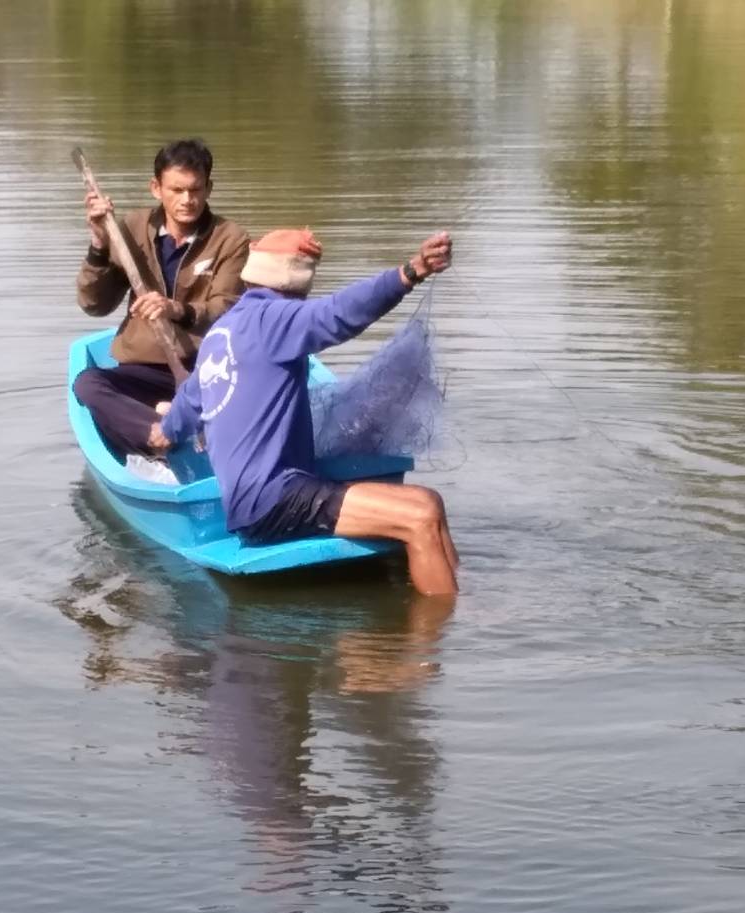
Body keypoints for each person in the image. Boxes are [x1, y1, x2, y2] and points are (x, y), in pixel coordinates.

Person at [150, 229, 461, 595]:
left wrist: (164, 433)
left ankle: (463, 597)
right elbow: (340, 312)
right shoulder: (274, 318)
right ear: (298, 286)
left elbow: (187, 404)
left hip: (268, 495)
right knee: (419, 517)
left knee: (429, 502)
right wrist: (411, 272)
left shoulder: (222, 331)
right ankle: (441, 634)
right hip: (271, 501)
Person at [72, 139, 251, 460]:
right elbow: (94, 304)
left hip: (205, 369)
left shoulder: (230, 238)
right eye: (176, 190)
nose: (187, 200)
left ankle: (165, 431)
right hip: (143, 367)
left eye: (195, 190)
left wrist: (176, 309)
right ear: (156, 188)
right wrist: (99, 244)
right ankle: (160, 434)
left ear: (209, 188)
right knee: (87, 384)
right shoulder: (130, 228)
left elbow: (226, 308)